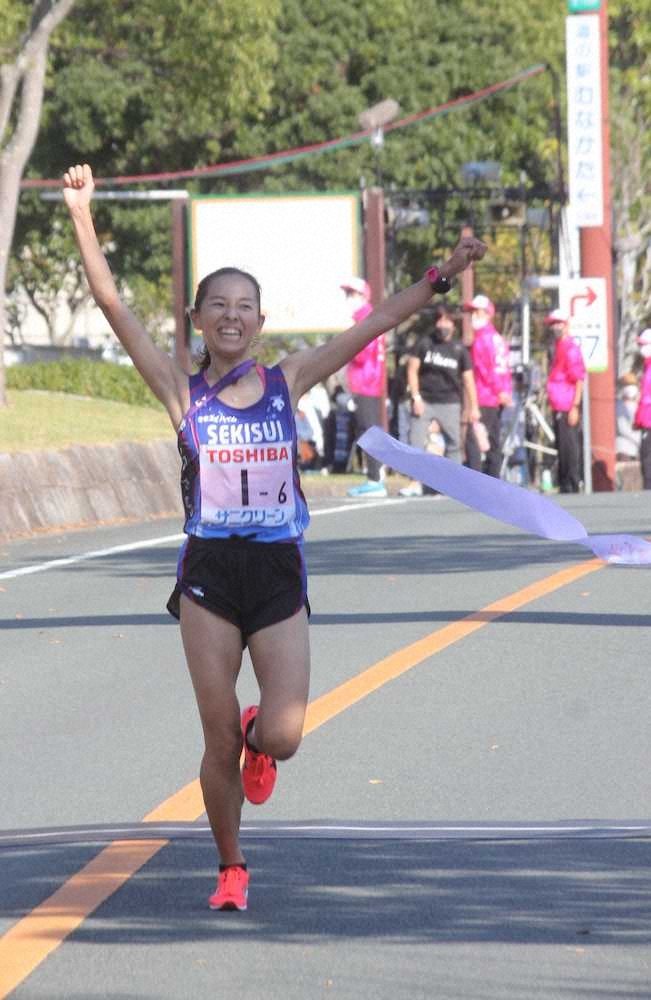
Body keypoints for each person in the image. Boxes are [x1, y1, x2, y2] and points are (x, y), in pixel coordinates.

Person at [63, 163, 487, 912]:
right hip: (208, 574)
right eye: (217, 306)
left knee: (281, 734)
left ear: (260, 322)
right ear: (197, 320)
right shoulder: (179, 389)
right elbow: (109, 303)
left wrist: (440, 276)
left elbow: (372, 325)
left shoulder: (289, 380)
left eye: (244, 307)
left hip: (277, 571)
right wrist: (82, 214)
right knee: (216, 732)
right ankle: (231, 866)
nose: (231, 316)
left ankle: (263, 742)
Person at [400, 304, 480, 497]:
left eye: (446, 321)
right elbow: (412, 369)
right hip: (425, 401)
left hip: (450, 402)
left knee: (454, 444)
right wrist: (416, 397)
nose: (442, 325)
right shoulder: (424, 343)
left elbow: (468, 380)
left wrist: (474, 407)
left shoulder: (459, 349)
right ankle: (414, 482)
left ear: (453, 325)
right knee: (416, 441)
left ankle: (453, 484)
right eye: (439, 320)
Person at [340, 277, 388, 498]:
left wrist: (347, 342)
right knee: (367, 429)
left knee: (368, 430)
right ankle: (376, 475)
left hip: (365, 382)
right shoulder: (368, 318)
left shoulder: (365, 319)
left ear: (362, 296)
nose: (348, 299)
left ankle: (375, 478)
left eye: (352, 295)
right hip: (369, 382)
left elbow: (361, 353)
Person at [465, 294, 512, 477]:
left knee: (474, 439)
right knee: (492, 439)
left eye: (477, 311)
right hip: (496, 395)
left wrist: (499, 390)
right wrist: (505, 391)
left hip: (485, 395)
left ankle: (480, 482)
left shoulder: (482, 340)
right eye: (472, 312)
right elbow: (504, 369)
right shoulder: (497, 338)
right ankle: (493, 480)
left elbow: (487, 370)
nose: (473, 315)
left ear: (488, 313)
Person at [544, 307, 586, 493]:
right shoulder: (557, 348)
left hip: (568, 404)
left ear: (566, 325)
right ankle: (564, 481)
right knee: (562, 445)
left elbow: (578, 379)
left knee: (569, 445)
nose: (555, 327)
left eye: (558, 323)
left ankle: (572, 481)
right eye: (553, 324)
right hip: (558, 403)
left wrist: (575, 406)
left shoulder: (570, 349)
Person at [633, 327, 651, 489]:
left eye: (644, 345)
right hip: (646, 419)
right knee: (645, 457)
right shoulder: (647, 367)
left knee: (647, 457)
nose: (641, 349)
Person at [615, 373, 641, 462]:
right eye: (627, 385)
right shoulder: (619, 405)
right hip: (624, 450)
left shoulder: (640, 405)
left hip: (638, 451)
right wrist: (640, 440)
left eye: (633, 385)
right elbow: (623, 428)